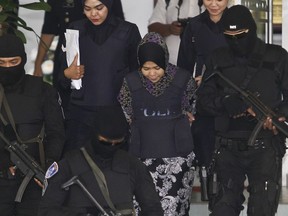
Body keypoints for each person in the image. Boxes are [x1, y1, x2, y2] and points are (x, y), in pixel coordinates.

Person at [196, 5, 288, 216]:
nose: (236, 41)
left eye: (241, 35)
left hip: (265, 144)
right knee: (223, 209)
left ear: (251, 29)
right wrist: (226, 103)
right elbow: (203, 102)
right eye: (230, 36)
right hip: (227, 145)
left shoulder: (277, 56)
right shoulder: (217, 58)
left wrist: (278, 115)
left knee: (262, 209)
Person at [118, 32, 196, 215]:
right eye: (146, 68)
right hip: (141, 159)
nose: (152, 73)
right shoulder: (129, 82)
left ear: (165, 60)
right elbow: (127, 114)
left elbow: (192, 109)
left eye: (157, 67)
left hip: (178, 160)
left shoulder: (184, 80)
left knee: (174, 209)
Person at [38, 105, 163, 216]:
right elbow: (46, 211)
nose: (111, 148)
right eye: (105, 143)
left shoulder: (133, 165)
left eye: (117, 143)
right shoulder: (68, 165)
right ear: (94, 134)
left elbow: (153, 209)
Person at [60, 0, 141, 152]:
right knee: (79, 164)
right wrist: (67, 74)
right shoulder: (74, 30)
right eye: (87, 9)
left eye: (99, 8)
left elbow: (137, 74)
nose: (93, 14)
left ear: (109, 5)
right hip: (81, 113)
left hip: (116, 112)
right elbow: (61, 77)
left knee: (116, 165)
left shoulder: (128, 31)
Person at [0, 34, 65, 216]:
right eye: (2, 63)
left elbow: (57, 133)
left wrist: (47, 168)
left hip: (35, 180)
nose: (7, 68)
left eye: (13, 62)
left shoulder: (42, 90)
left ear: (23, 60)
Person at [177, 0, 230, 200]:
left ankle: (226, 190)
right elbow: (184, 66)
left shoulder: (237, 21)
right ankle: (208, 186)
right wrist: (184, 101)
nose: (214, 4)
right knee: (204, 138)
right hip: (203, 95)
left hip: (231, 94)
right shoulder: (195, 25)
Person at [33, 0, 125, 114]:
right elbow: (48, 30)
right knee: (66, 106)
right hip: (67, 59)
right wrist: (38, 64)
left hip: (103, 57)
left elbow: (120, 26)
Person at [148, 0, 202, 64]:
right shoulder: (166, 1)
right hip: (171, 65)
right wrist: (170, 29)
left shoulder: (211, 3)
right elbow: (152, 28)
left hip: (204, 66)